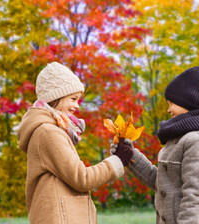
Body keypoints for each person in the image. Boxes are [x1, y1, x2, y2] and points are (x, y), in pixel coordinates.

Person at [17, 62, 133, 224]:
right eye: (73, 99)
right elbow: (81, 178)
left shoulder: (51, 130)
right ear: (55, 97)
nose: (76, 106)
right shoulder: (48, 132)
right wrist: (117, 161)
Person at [113, 65, 199, 224]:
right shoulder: (178, 140)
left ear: (189, 101)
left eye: (172, 103)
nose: (168, 109)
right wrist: (131, 156)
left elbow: (195, 194)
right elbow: (162, 182)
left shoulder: (198, 141)